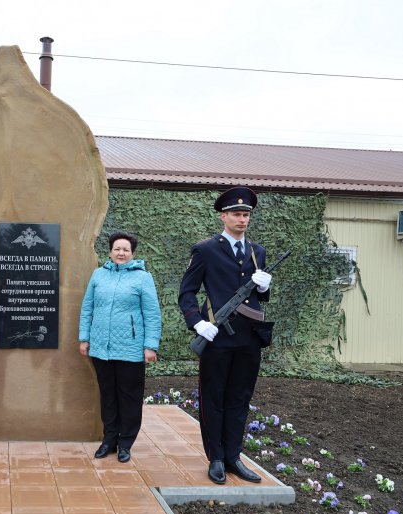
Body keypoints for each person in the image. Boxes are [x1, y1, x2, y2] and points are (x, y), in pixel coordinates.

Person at [178, 186, 273, 485]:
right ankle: (216, 458)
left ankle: (234, 456)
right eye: (236, 214)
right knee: (214, 398)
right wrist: (197, 323)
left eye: (246, 215)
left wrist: (264, 287)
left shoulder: (257, 252)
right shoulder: (205, 249)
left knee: (240, 399)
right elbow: (186, 293)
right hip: (217, 336)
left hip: (249, 338)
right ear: (223, 216)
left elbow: (261, 297)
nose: (242, 219)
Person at [78, 231, 162, 464]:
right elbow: (87, 309)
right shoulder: (98, 275)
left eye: (125, 249)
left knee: (129, 396)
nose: (121, 253)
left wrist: (150, 346)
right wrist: (84, 338)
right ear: (110, 251)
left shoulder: (143, 278)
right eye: (117, 249)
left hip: (131, 348)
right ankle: (109, 440)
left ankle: (126, 442)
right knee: (108, 395)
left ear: (132, 253)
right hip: (101, 348)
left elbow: (152, 314)